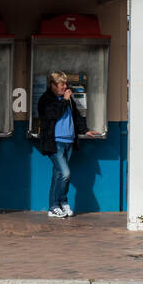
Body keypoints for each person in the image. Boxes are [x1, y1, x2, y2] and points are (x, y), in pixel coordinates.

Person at [36, 71, 101, 218]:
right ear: (53, 85)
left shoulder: (69, 99)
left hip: (69, 141)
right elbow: (52, 115)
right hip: (55, 142)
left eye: (66, 84)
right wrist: (64, 100)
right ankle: (62, 201)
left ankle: (54, 207)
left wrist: (85, 130)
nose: (65, 87)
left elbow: (76, 116)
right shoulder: (45, 100)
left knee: (58, 175)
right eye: (62, 84)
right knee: (66, 174)